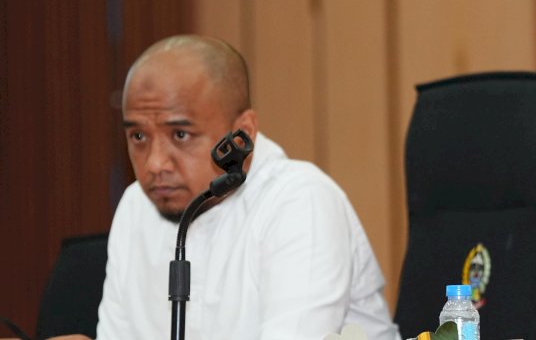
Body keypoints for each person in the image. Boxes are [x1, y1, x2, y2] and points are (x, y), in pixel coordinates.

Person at [77, 35, 399, 339]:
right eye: (138, 137)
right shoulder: (137, 207)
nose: (154, 164)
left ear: (243, 132)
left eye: (180, 135)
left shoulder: (300, 201)